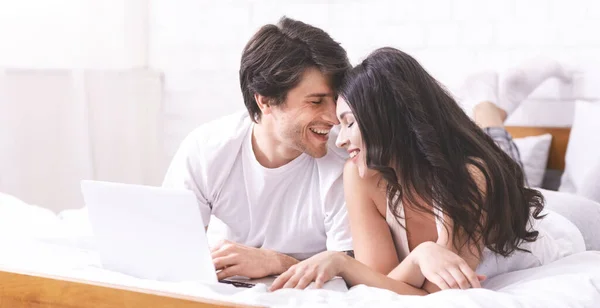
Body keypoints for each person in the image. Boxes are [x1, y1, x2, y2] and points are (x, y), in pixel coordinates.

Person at [270, 48, 576, 293]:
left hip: (545, 227)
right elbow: (381, 286)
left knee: (505, 162)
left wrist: (348, 264)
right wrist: (419, 257)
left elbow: (436, 297)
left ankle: (488, 106)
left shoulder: (471, 176)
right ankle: (489, 106)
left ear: (387, 119)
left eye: (349, 122)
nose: (341, 139)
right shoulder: (361, 175)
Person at [162, 17, 353, 281]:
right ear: (265, 100)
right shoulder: (207, 150)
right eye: (316, 102)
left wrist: (276, 262)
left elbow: (352, 273)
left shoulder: (344, 162)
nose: (334, 117)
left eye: (335, 99)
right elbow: (170, 251)